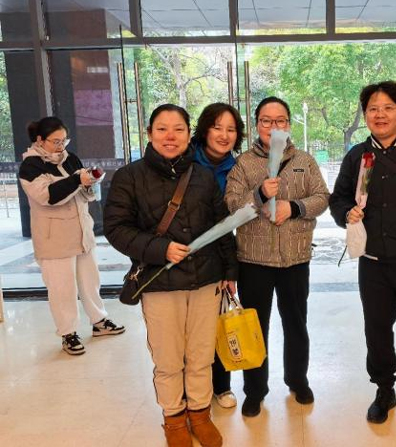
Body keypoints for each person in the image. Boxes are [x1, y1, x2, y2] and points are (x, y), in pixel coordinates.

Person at [103, 104, 237, 447]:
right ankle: (174, 419)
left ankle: (200, 414)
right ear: (149, 133)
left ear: (189, 134)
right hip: (159, 282)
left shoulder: (202, 176)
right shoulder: (129, 177)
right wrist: (160, 249)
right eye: (162, 129)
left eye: (178, 129)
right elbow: (116, 228)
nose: (170, 136)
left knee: (202, 355)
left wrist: (229, 271)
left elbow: (222, 226)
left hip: (206, 280)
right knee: (168, 358)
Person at [329, 81, 396, 431]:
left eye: (388, 108)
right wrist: (346, 213)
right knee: (377, 330)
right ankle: (384, 389)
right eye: (373, 109)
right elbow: (338, 198)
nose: (380, 115)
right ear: (365, 115)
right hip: (373, 263)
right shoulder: (358, 156)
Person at [224, 96, 329, 417]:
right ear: (257, 125)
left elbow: (322, 198)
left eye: (280, 120)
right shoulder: (243, 164)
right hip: (253, 261)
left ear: (289, 124)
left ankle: (298, 380)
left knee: (296, 324)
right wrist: (259, 195)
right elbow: (232, 205)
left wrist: (293, 207)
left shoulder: (304, 161)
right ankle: (255, 390)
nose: (274, 126)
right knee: (255, 328)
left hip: (295, 260)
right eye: (266, 121)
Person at [18, 116, 125, 356]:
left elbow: (86, 195)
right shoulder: (30, 166)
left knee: (90, 281)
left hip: (81, 232)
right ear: (40, 140)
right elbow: (48, 196)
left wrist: (89, 182)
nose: (61, 146)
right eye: (55, 141)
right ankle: (68, 333)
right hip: (54, 238)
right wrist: (77, 179)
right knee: (62, 288)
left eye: (64, 141)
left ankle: (99, 321)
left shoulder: (70, 158)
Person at [191, 102, 245, 409]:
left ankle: (221, 386)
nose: (224, 135)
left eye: (231, 129)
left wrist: (229, 268)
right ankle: (191, 388)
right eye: (217, 127)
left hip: (218, 251)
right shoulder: (185, 159)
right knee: (189, 330)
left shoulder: (237, 168)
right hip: (183, 253)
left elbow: (230, 221)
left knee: (218, 321)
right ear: (204, 130)